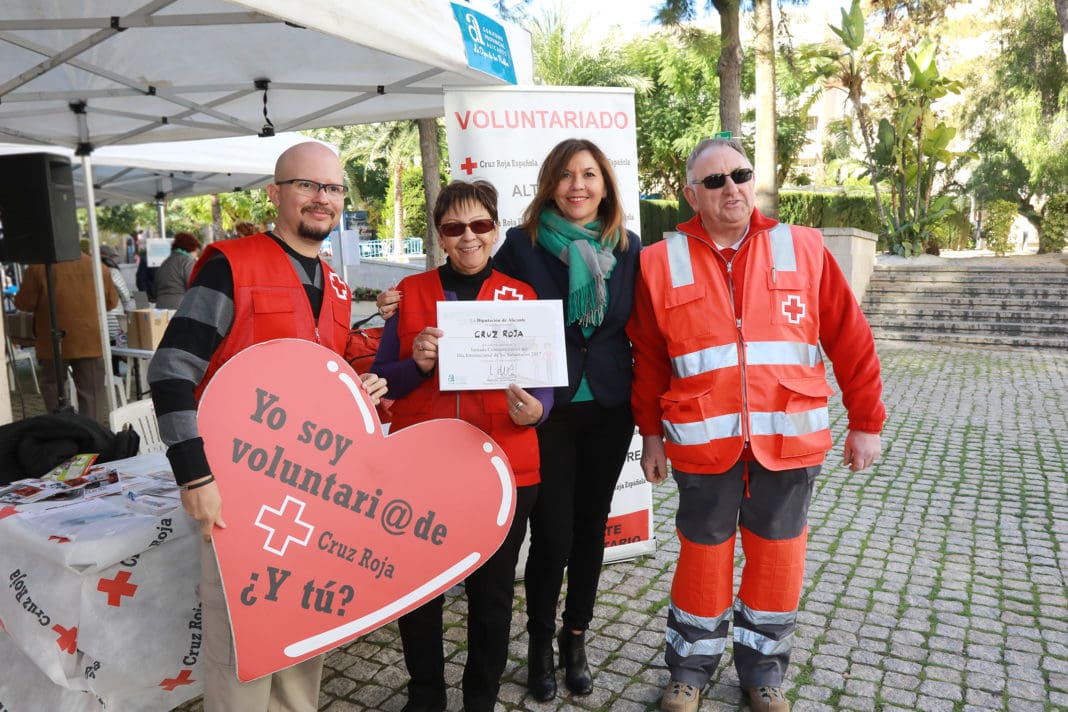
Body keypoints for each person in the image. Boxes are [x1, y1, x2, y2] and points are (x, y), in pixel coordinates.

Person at [626, 137, 886, 712]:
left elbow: (850, 337)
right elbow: (646, 360)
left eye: (739, 175)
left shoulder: (805, 247)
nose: (730, 189)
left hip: (788, 441)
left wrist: (865, 420)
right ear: (691, 194)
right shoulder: (657, 261)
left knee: (777, 558)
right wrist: (649, 435)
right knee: (702, 558)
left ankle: (763, 671)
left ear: (754, 180)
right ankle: (689, 670)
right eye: (713, 181)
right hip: (702, 442)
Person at [381, 139, 641, 700]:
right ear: (548, 183)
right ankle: (538, 646)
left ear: (605, 184)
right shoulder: (520, 246)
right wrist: (396, 307)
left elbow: (640, 327)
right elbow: (466, 284)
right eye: (566, 175)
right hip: (539, 422)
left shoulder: (628, 246)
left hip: (604, 408)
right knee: (551, 536)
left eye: (590, 174)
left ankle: (575, 637)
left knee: (589, 531)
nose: (578, 185)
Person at [147, 141, 387, 712]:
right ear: (276, 193)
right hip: (237, 491)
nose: (321, 199)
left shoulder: (336, 284)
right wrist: (195, 476)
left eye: (331, 189)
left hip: (311, 490)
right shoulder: (233, 265)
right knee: (241, 647)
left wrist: (364, 384)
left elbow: (326, 368)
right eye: (307, 185)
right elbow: (171, 369)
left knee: (304, 627)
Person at [370, 180, 550, 712]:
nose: (468, 237)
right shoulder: (409, 294)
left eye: (480, 225)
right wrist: (416, 364)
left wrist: (538, 411)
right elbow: (384, 380)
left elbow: (543, 392)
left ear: (496, 229)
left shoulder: (523, 297)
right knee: (420, 594)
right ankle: (426, 695)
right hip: (423, 471)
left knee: (491, 598)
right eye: (454, 228)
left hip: (503, 470)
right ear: (440, 236)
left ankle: (481, 700)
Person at [14, 247, 119, 423]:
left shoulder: (38, 267)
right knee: (91, 393)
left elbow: (24, 303)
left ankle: (62, 430)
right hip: (89, 339)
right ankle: (91, 435)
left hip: (52, 341)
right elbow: (110, 302)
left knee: (53, 388)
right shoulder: (97, 266)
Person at [153, 231, 201, 308]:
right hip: (179, 306)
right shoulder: (187, 261)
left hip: (160, 306)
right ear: (190, 248)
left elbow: (154, 290)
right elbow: (194, 286)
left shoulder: (165, 262)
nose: (196, 255)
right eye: (196, 251)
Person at [100, 244, 134, 345]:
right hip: (113, 318)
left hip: (97, 321)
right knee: (115, 348)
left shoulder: (93, 271)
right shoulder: (112, 272)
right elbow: (124, 294)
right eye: (112, 257)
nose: (114, 259)